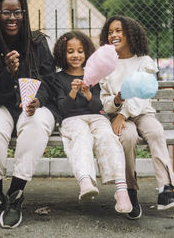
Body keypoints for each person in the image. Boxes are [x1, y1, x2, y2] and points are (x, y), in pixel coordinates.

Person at [0, 0, 57, 229]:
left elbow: (50, 81)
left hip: (32, 106)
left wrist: (38, 100)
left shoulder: (37, 43)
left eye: (17, 12)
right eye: (6, 12)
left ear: (24, 14)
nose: (12, 17)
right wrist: (6, 73)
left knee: (37, 123)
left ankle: (16, 192)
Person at [99, 16, 174, 220]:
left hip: (141, 112)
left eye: (119, 30)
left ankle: (165, 189)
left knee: (155, 131)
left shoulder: (144, 61)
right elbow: (104, 100)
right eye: (110, 32)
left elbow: (141, 94)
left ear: (130, 33)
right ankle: (130, 190)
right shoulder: (106, 65)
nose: (114, 35)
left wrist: (123, 113)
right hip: (119, 116)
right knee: (127, 138)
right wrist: (117, 103)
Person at [52, 31, 132, 214]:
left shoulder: (95, 76)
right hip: (72, 120)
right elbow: (62, 109)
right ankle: (85, 181)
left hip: (97, 117)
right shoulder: (59, 79)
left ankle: (121, 190)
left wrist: (88, 94)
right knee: (82, 136)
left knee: (107, 136)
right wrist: (72, 93)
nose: (75, 55)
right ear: (62, 54)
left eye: (80, 51)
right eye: (70, 51)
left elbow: (100, 107)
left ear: (87, 53)